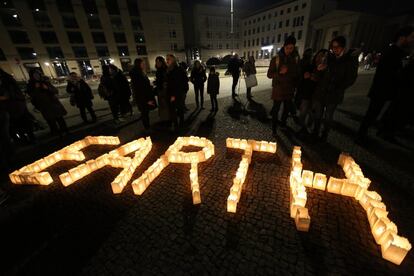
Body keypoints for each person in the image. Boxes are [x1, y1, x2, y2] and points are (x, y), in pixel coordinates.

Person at [357, 26, 414, 143]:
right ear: (402, 38)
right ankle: (360, 137)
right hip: (381, 90)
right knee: (371, 114)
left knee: (373, 114)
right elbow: (387, 73)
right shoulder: (392, 52)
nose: (412, 40)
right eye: (411, 37)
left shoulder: (398, 52)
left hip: (384, 90)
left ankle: (363, 135)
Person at [312, 36, 358, 141]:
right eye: (333, 47)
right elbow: (319, 74)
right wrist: (319, 70)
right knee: (318, 114)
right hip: (322, 91)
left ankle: (324, 134)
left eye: (337, 47)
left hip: (334, 93)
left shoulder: (349, 60)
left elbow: (351, 78)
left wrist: (338, 86)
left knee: (328, 116)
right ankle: (315, 132)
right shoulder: (328, 57)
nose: (335, 49)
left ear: (343, 47)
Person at [267, 35, 300, 136]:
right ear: (284, 47)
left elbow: (297, 73)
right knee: (276, 109)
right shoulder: (276, 59)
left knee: (286, 109)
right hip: (279, 89)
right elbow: (269, 74)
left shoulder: (296, 59)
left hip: (289, 89)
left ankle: (283, 124)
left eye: (291, 48)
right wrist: (280, 73)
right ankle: (273, 129)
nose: (289, 50)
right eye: (287, 48)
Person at [296, 49, 328, 136]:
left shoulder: (326, 69)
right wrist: (305, 76)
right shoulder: (310, 66)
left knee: (313, 114)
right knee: (303, 112)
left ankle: (310, 130)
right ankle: (301, 129)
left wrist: (318, 79)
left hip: (317, 96)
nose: (319, 58)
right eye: (318, 56)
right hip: (307, 93)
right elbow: (301, 79)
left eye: (322, 56)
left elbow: (327, 82)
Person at [26, 69, 68, 136]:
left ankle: (65, 131)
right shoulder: (30, 85)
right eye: (35, 75)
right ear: (32, 76)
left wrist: (47, 88)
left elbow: (55, 90)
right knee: (50, 121)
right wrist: (36, 88)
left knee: (60, 118)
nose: (37, 76)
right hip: (44, 106)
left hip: (53, 104)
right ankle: (56, 134)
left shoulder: (45, 82)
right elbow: (32, 96)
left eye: (38, 74)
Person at [0, 68, 35, 144]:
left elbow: (9, 95)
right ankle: (26, 140)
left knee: (21, 124)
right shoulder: (6, 78)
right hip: (15, 106)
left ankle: (27, 140)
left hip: (15, 106)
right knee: (21, 125)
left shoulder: (6, 80)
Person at [129, 58, 156, 131]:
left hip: (144, 97)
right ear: (138, 64)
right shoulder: (137, 75)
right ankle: (147, 128)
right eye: (143, 64)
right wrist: (147, 100)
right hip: (143, 98)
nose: (144, 65)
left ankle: (147, 126)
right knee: (144, 113)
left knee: (145, 113)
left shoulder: (140, 73)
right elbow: (139, 90)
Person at [166, 54, 187, 130]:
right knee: (178, 109)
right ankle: (178, 125)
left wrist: (173, 95)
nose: (167, 61)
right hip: (176, 94)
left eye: (169, 59)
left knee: (176, 110)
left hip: (176, 94)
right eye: (166, 59)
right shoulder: (170, 69)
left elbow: (177, 84)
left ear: (173, 60)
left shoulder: (176, 69)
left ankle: (178, 125)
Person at [154, 56, 170, 124]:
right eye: (156, 62)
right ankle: (164, 118)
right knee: (162, 105)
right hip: (160, 90)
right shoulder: (158, 70)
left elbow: (166, 80)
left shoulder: (164, 69)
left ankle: (167, 119)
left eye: (159, 62)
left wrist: (161, 84)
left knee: (165, 105)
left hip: (164, 91)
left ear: (162, 62)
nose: (157, 63)